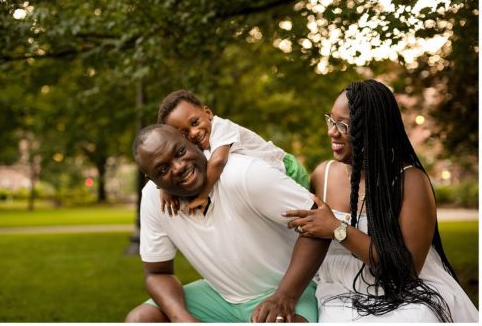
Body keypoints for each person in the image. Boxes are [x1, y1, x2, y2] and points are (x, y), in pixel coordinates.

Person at [285, 80, 477, 323]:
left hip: (406, 294)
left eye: (344, 126)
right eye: (331, 120)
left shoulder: (410, 181)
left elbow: (406, 272)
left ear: (373, 131)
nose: (332, 132)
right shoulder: (322, 175)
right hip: (339, 292)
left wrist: (338, 229)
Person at [129, 123, 328, 323]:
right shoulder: (153, 200)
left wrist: (285, 296)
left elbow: (318, 222)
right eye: (163, 170)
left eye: (180, 152)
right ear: (153, 181)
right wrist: (182, 319)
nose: (179, 166)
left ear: (191, 141)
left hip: (293, 288)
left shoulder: (243, 174)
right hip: (223, 298)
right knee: (140, 319)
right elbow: (157, 273)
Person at [157, 88, 309, 216]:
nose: (194, 132)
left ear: (208, 113)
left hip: (287, 169)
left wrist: (203, 195)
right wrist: (165, 187)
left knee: (305, 214)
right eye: (184, 134)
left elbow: (218, 161)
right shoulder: (197, 146)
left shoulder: (221, 127)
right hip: (266, 179)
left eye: (195, 122)